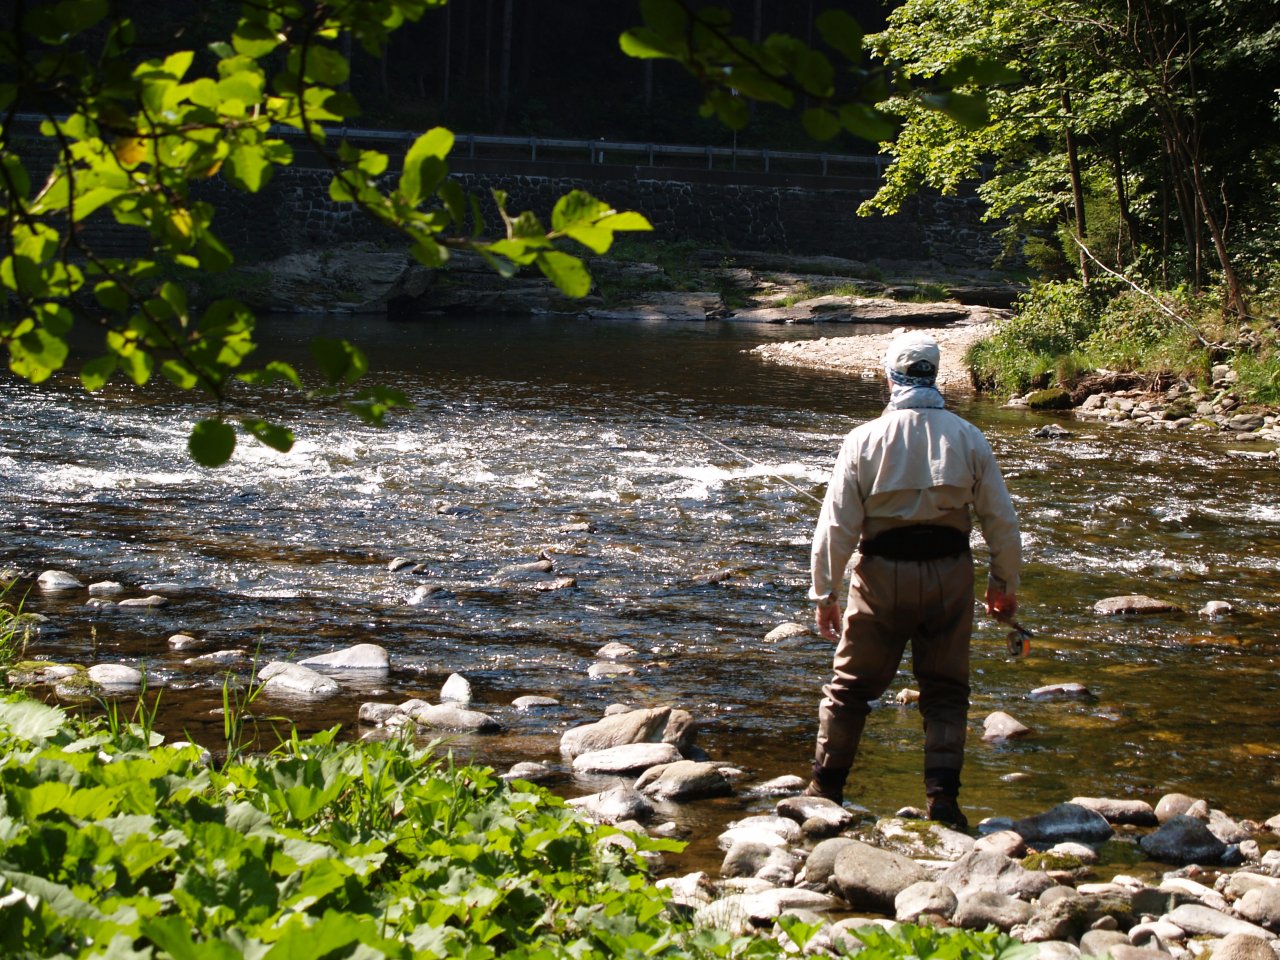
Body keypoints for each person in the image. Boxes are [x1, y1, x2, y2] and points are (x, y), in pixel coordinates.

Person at [804, 331, 1021, 829]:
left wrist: (825, 594)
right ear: (935, 376)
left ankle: (825, 788)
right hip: (951, 575)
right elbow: (1001, 522)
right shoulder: (969, 436)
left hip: (881, 576)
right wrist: (1003, 585)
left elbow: (835, 527)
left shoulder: (863, 439)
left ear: (889, 379)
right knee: (945, 690)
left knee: (850, 689)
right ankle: (943, 800)